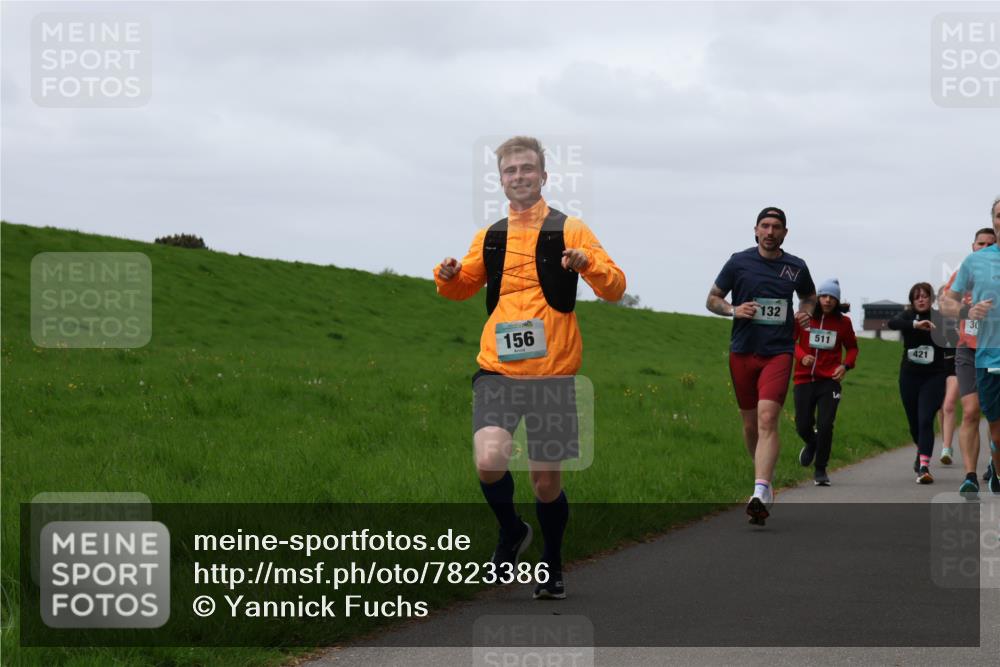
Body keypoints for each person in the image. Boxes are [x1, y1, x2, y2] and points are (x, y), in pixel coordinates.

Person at [434, 136, 626, 599]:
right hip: (497, 369)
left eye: (526, 169)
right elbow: (464, 286)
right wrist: (448, 277)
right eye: (509, 171)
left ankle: (552, 564)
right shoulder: (490, 235)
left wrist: (588, 265)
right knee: (488, 458)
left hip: (553, 375)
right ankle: (511, 530)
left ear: (543, 176)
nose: (518, 177)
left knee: (545, 483)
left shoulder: (570, 228)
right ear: (500, 180)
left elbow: (615, 287)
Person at [707, 207, 816, 525]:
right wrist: (732, 309)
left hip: (778, 353)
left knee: (769, 418)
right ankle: (763, 480)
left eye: (777, 227)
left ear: (785, 233)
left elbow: (809, 297)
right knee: (751, 425)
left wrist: (806, 311)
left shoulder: (796, 267)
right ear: (755, 230)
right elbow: (712, 298)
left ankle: (760, 489)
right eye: (765, 226)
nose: (770, 232)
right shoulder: (738, 262)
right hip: (742, 352)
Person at [940, 197, 1000, 496]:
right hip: (970, 349)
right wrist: (967, 311)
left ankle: (995, 462)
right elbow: (945, 302)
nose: (984, 246)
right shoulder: (971, 265)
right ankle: (970, 475)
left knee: (995, 417)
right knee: (972, 410)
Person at [793, 278, 859, 486]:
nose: (828, 300)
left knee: (825, 425)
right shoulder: (804, 318)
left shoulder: (843, 323)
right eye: (824, 296)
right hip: (803, 379)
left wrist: (845, 366)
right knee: (803, 425)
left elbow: (853, 349)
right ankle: (812, 443)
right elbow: (790, 341)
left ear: (837, 300)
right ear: (817, 298)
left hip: (829, 381)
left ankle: (820, 469)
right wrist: (802, 356)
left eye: (832, 297)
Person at [888, 283, 952, 483]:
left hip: (934, 377)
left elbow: (953, 341)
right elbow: (892, 323)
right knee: (914, 424)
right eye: (917, 297)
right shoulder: (907, 317)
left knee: (925, 419)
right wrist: (916, 325)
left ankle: (924, 466)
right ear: (912, 301)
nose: (921, 299)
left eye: (925, 296)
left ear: (931, 299)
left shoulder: (940, 318)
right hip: (909, 377)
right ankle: (921, 450)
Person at [935, 284, 960, 466]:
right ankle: (946, 443)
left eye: (948, 299)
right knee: (940, 408)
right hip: (937, 366)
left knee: (949, 404)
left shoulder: (962, 319)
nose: (945, 302)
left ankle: (946, 447)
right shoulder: (933, 320)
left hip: (957, 365)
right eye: (942, 299)